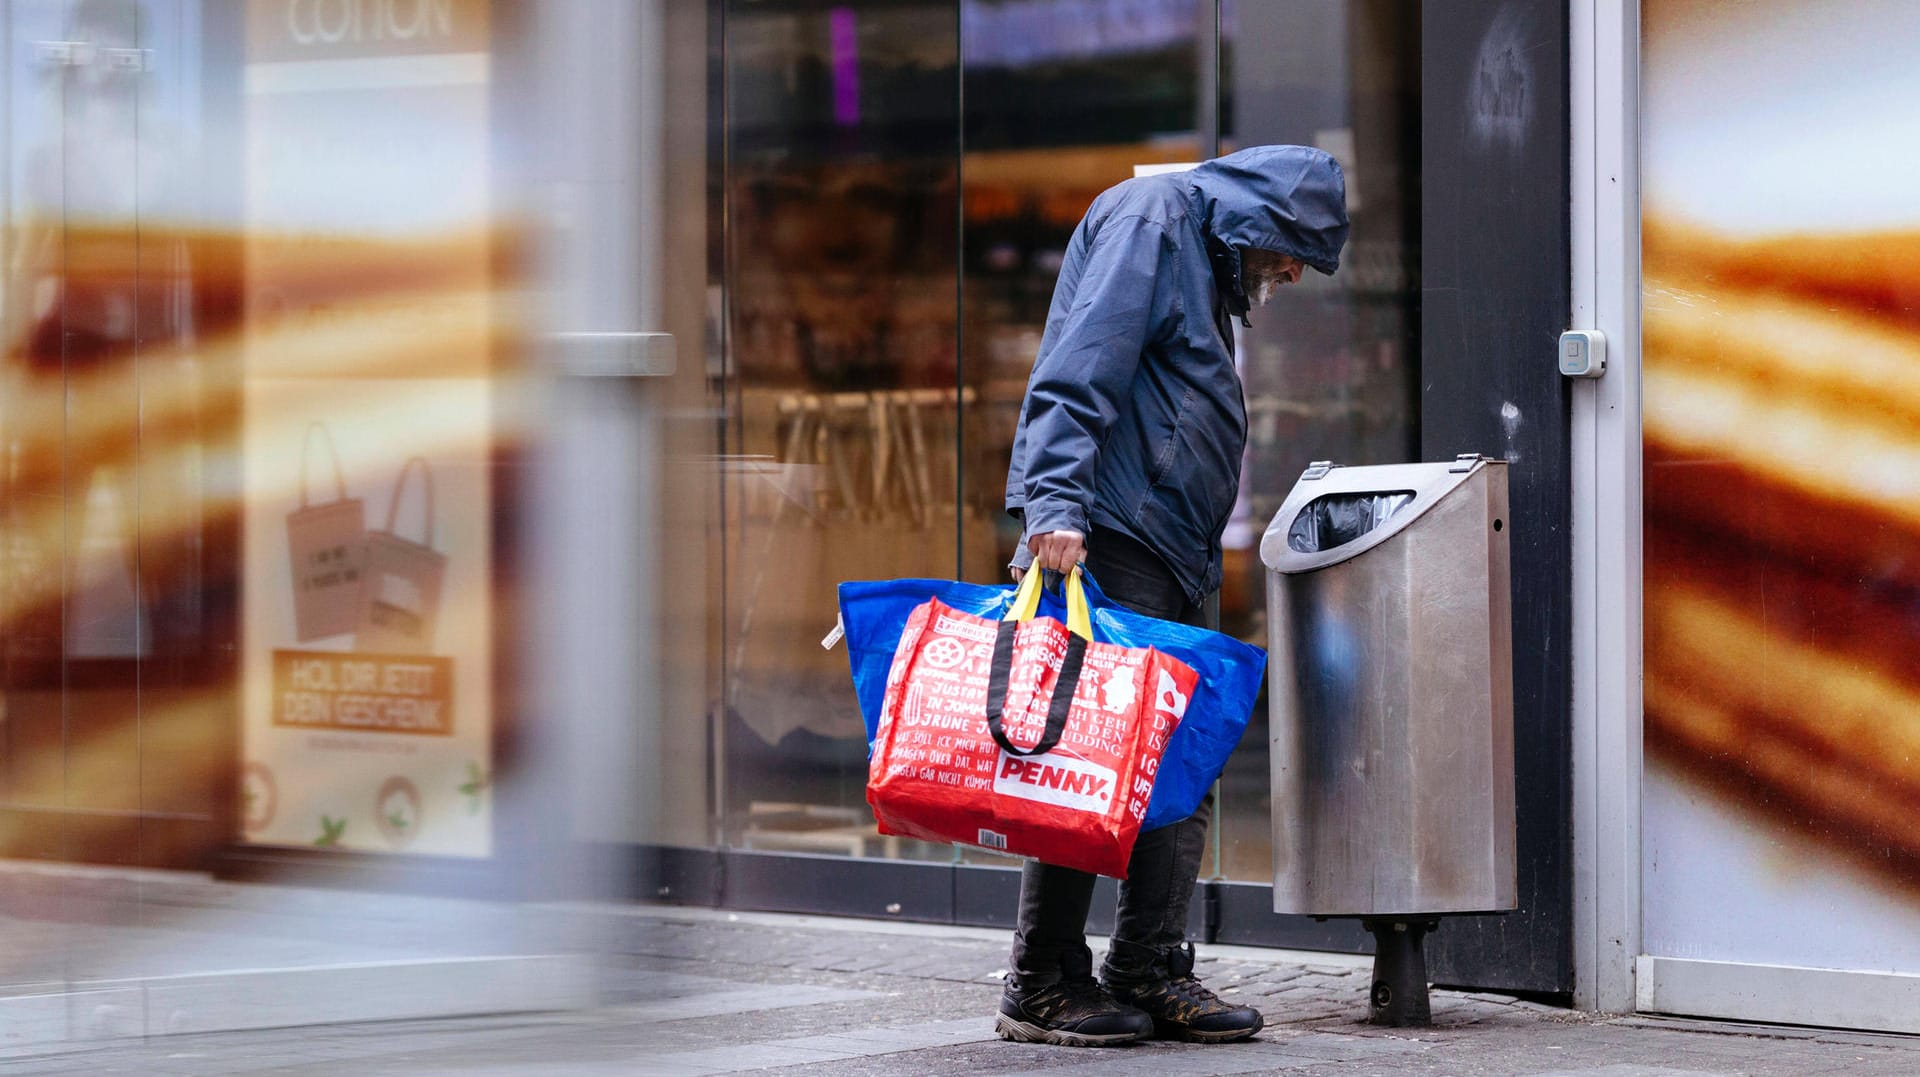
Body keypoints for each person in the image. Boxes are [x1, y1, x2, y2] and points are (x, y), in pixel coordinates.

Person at [996, 144, 1350, 1048]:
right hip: (1110, 534)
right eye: (1293, 250)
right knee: (1087, 758)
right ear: (1261, 223)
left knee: (1177, 763)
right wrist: (1056, 502)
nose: (1294, 272)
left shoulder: (1201, 252)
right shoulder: (1155, 222)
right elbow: (1080, 365)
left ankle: (1149, 965)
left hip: (1172, 545)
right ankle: (1041, 980)